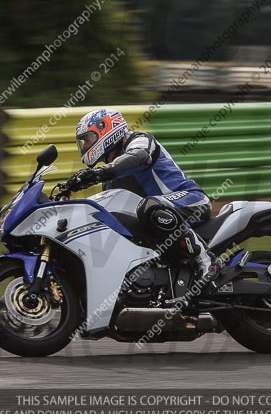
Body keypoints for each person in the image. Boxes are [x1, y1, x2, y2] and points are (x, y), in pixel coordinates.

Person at [70, 108, 219, 288]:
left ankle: (207, 261)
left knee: (150, 206)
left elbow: (139, 157)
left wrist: (98, 173)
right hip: (160, 218)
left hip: (192, 199)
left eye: (88, 139)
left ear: (105, 129)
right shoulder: (111, 178)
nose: (85, 145)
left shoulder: (139, 140)